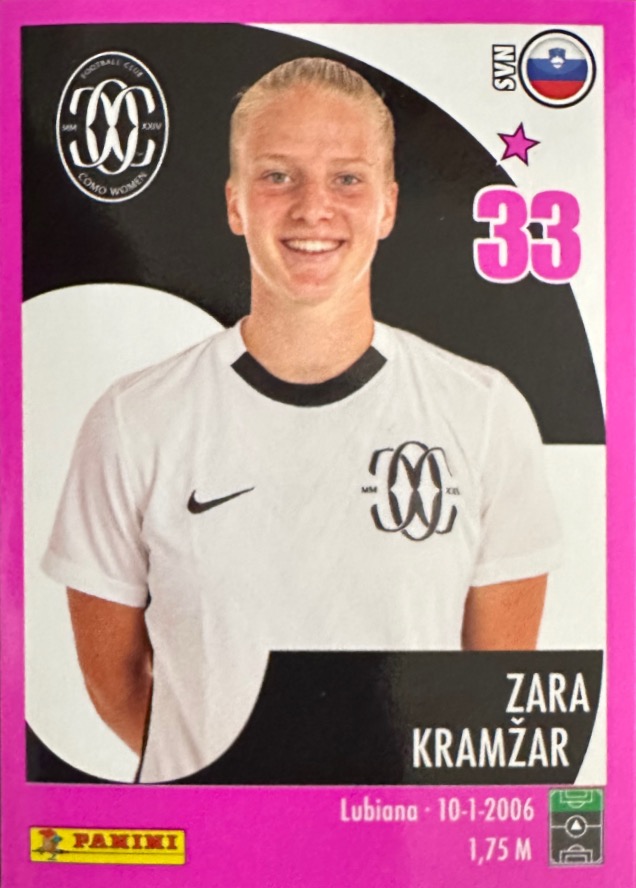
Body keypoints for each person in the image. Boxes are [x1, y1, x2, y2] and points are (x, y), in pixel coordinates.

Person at [42, 58, 561, 783]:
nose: (313, 208)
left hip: (405, 836)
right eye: (278, 175)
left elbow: (490, 694)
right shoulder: (134, 420)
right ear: (235, 203)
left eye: (347, 178)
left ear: (388, 206)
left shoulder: (482, 413)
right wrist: (245, 797)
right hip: (213, 836)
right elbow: (116, 683)